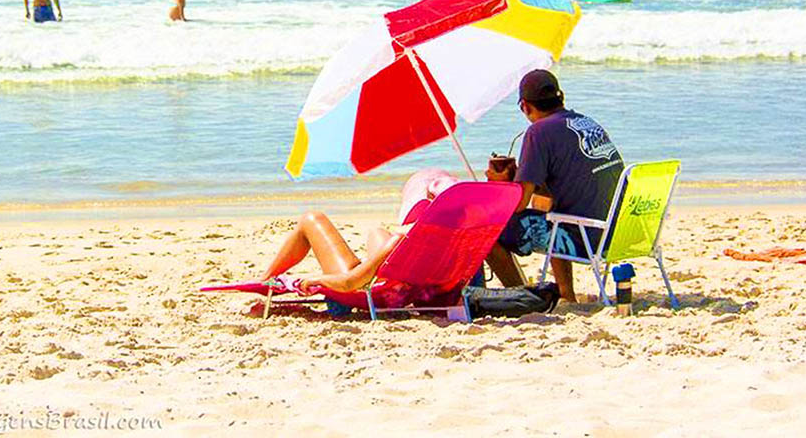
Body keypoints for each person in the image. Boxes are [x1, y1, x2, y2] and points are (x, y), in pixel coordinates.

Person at [484, 70, 625, 302]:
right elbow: (555, 192)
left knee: (489, 233)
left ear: (525, 107)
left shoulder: (538, 132)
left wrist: (503, 185)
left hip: (587, 238)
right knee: (553, 211)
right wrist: (528, 177)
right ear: (562, 97)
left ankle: (528, 298)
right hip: (618, 233)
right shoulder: (586, 122)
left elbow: (519, 204)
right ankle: (565, 293)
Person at [259, 170, 460, 294]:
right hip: (420, 290)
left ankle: (264, 280)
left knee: (312, 219)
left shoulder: (404, 239)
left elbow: (349, 284)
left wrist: (315, 279)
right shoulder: (462, 240)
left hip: (379, 293)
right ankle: (373, 266)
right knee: (377, 232)